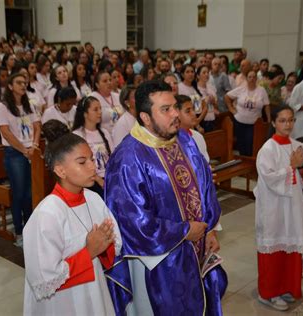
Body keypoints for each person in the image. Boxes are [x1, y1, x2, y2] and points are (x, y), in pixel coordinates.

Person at [105, 81, 226, 315]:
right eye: (165, 109)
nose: (175, 115)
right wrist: (183, 232)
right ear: (145, 117)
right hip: (156, 259)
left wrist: (209, 229)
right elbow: (133, 222)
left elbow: (204, 186)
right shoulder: (127, 158)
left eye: (174, 107)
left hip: (196, 245)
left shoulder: (184, 140)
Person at [22, 130, 122, 315]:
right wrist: (89, 251)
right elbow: (43, 278)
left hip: (94, 289)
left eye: (92, 159)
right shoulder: (47, 214)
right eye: (82, 162)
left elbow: (114, 244)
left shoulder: (94, 199)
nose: (93, 167)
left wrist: (105, 244)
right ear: (60, 170)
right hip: (62, 301)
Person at [254, 106, 303, 311]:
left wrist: (302, 166)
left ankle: (287, 287)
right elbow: (269, 178)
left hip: (293, 205)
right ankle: (268, 293)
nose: (287, 125)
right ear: (273, 123)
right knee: (274, 247)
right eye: (282, 120)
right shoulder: (267, 149)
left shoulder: (300, 147)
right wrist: (292, 167)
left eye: (291, 120)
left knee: (291, 246)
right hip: (273, 206)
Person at [0, 73, 40, 247]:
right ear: (10, 86)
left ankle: (29, 228)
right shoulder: (2, 107)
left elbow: (37, 126)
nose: (23, 85)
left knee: (29, 193)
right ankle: (19, 231)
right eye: (19, 82)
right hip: (15, 153)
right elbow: (5, 132)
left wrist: (34, 145)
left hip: (31, 151)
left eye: (24, 82)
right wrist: (24, 150)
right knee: (19, 193)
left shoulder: (28, 105)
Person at [72, 96, 114, 196]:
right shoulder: (78, 135)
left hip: (107, 178)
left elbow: (113, 158)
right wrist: (98, 179)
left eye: (100, 109)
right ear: (85, 114)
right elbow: (80, 163)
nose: (100, 112)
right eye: (95, 109)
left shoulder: (104, 132)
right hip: (90, 181)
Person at [225, 70, 270, 156]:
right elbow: (227, 96)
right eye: (250, 77)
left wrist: (268, 120)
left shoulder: (261, 90)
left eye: (254, 77)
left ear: (256, 79)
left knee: (250, 143)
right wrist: (231, 109)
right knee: (241, 143)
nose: (252, 79)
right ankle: (243, 160)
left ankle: (250, 161)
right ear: (246, 78)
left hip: (254, 123)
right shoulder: (241, 89)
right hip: (239, 121)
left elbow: (267, 105)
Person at [175, 94, 209, 162]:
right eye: (188, 111)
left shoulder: (198, 136)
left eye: (193, 109)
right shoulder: (173, 141)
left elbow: (206, 162)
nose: (193, 113)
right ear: (176, 114)